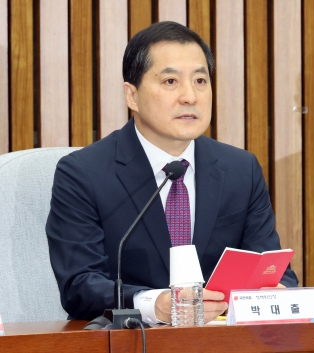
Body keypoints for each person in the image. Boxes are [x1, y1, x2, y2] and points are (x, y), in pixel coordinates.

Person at [46, 21, 298, 323]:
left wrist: (275, 292)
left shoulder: (240, 170)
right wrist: (154, 304)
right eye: (170, 82)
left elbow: (270, 267)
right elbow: (79, 285)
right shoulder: (83, 173)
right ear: (132, 95)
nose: (190, 96)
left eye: (200, 81)